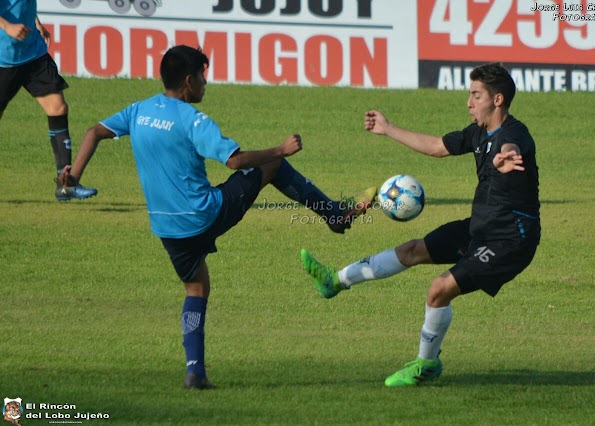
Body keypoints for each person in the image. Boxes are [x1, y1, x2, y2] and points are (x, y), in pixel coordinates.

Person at [61, 45, 376, 390]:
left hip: (167, 228)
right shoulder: (193, 120)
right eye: (202, 76)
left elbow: (93, 131)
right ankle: (334, 215)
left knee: (196, 287)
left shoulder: (139, 111)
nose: (205, 83)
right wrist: (280, 150)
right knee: (271, 165)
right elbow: (236, 161)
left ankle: (195, 370)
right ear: (187, 80)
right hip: (204, 214)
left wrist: (73, 176)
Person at [301, 62, 540, 387]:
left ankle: (426, 364)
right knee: (412, 250)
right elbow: (436, 147)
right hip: (481, 228)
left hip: (510, 240)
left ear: (497, 100)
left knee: (439, 289)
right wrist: (387, 128)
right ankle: (335, 281)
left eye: (475, 95)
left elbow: (509, 150)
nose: (469, 103)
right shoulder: (478, 132)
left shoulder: (514, 135)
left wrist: (504, 158)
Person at [0, 0, 96, 201]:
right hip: (4, 59)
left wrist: (36, 23)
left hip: (34, 54)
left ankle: (66, 185)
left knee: (58, 108)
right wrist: (7, 26)